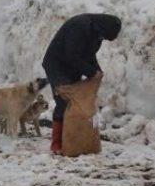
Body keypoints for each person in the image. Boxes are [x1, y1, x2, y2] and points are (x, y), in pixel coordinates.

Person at [42, 13, 122, 154]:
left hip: (72, 66)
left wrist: (97, 70)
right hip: (57, 64)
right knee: (64, 101)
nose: (102, 39)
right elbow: (72, 54)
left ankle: (74, 140)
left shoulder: (97, 32)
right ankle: (57, 143)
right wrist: (91, 72)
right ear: (102, 27)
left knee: (78, 104)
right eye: (104, 36)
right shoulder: (79, 26)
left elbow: (89, 54)